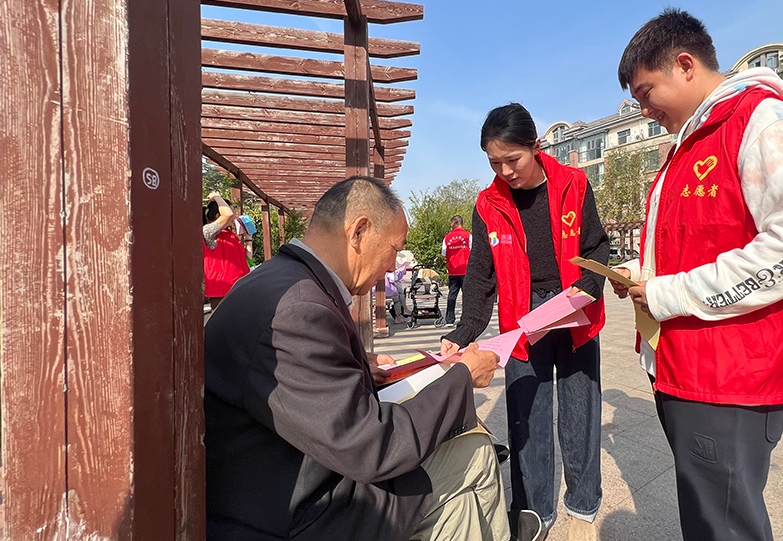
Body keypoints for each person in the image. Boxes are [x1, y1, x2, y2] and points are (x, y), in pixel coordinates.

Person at [611, 10, 783, 540]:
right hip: (691, 362)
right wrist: (641, 273)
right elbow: (700, 237)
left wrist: (671, 293)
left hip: (733, 372)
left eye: (647, 93)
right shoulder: (691, 142)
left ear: (685, 65)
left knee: (723, 522)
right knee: (709, 513)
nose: (645, 111)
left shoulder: (762, 121)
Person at [205, 176, 545, 541]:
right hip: (296, 511)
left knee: (462, 477)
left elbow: (302, 379)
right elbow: (372, 447)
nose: (392, 266)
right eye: (394, 249)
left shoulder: (279, 280)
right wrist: (461, 376)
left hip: (286, 475)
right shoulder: (299, 310)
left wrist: (357, 364)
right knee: (471, 453)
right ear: (359, 232)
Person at [440, 103, 610, 540]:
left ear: (536, 147)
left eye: (512, 159)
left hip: (572, 309)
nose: (505, 171)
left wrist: (591, 284)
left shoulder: (573, 184)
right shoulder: (488, 204)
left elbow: (596, 245)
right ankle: (535, 511)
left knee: (580, 411)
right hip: (522, 316)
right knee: (527, 415)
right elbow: (480, 275)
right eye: (494, 163)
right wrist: (464, 331)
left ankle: (583, 507)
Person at [203, 191, 250, 310]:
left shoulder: (230, 235)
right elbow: (227, 214)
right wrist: (217, 197)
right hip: (222, 291)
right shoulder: (208, 232)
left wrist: (249, 239)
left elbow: (246, 262)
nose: (234, 216)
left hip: (238, 288)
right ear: (218, 215)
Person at [442, 215, 472, 327]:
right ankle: (467, 319)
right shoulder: (468, 236)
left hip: (453, 271)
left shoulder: (447, 237)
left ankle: (449, 320)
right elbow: (473, 251)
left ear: (454, 223)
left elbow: (444, 253)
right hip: (466, 270)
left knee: (452, 295)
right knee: (467, 296)